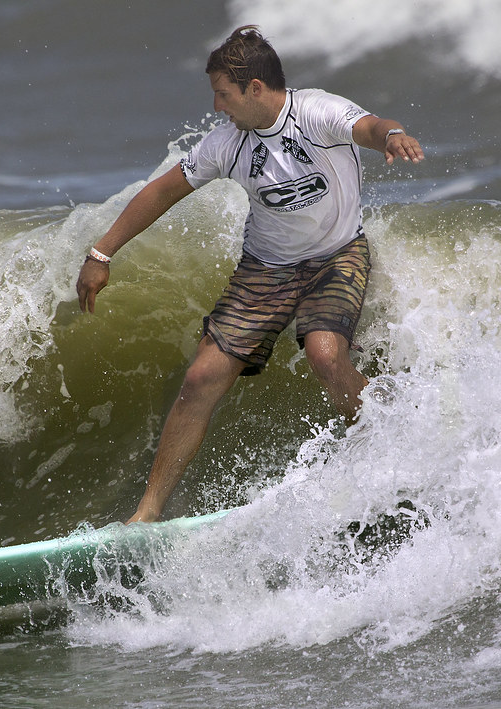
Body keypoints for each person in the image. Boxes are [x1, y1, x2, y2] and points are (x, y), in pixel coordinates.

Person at [75, 26, 424, 524]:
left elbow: (369, 127)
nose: (217, 106)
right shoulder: (227, 143)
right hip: (266, 267)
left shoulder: (317, 112)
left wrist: (391, 135)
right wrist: (101, 254)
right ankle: (147, 512)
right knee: (200, 378)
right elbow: (163, 191)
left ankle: (392, 445)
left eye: (223, 94)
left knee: (326, 355)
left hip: (337, 255)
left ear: (254, 88)